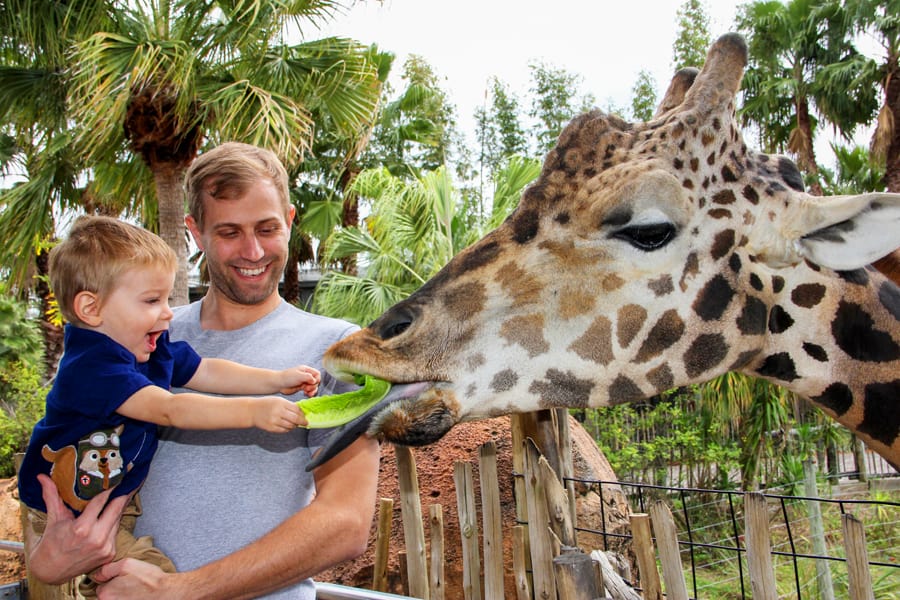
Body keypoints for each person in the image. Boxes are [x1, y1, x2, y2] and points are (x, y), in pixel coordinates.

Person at [30, 142, 381, 599]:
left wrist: (181, 591)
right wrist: (50, 560)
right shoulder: (137, 335)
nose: (253, 250)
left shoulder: (337, 350)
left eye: (267, 228)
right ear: (195, 231)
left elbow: (345, 524)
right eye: (230, 231)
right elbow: (63, 463)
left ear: (290, 221)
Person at [19, 215, 321, 596]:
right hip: (65, 510)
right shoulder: (91, 367)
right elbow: (168, 409)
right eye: (151, 301)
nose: (167, 312)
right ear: (91, 309)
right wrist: (254, 411)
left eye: (165, 299)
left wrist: (275, 380)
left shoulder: (147, 347)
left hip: (108, 494)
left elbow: (206, 370)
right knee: (151, 578)